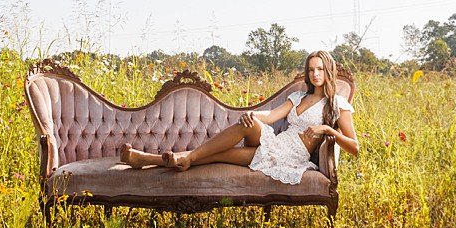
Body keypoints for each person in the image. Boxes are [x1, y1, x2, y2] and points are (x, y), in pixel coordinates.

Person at [120, 51, 359, 183]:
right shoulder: (298, 97)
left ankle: (146, 159)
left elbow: (355, 147)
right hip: (276, 143)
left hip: (291, 156)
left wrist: (328, 130)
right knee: (249, 122)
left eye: (320, 69)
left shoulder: (338, 104)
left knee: (218, 156)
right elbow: (272, 116)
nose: (315, 74)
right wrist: (252, 113)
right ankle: (182, 157)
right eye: (311, 69)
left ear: (328, 71)